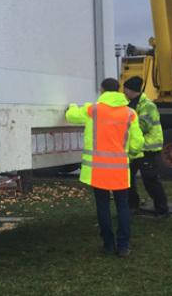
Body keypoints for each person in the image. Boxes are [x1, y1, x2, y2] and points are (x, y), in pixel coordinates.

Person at [66, 78, 144, 257]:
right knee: (123, 207)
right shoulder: (130, 113)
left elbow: (72, 116)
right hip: (121, 170)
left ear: (102, 90)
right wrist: (129, 154)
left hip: (98, 171)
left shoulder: (93, 110)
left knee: (103, 206)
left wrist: (71, 106)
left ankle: (108, 245)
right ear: (119, 91)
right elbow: (138, 143)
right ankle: (123, 247)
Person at [123, 76, 170, 218]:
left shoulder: (148, 106)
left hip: (147, 149)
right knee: (127, 179)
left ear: (132, 89)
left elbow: (143, 126)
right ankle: (132, 206)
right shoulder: (129, 104)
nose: (123, 91)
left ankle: (162, 210)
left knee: (150, 180)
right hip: (134, 149)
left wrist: (122, 126)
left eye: (125, 88)